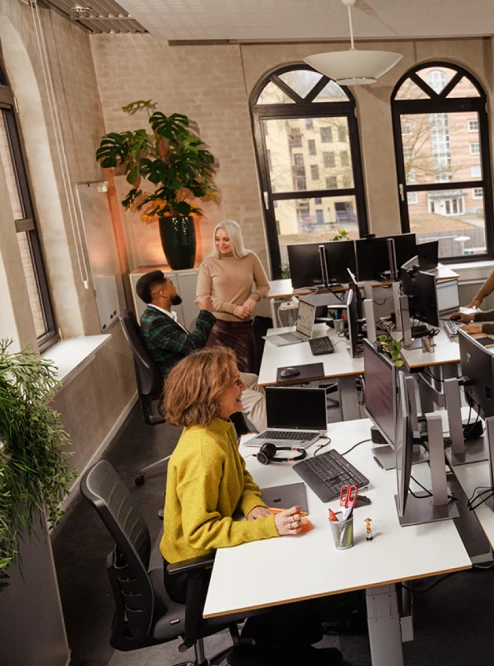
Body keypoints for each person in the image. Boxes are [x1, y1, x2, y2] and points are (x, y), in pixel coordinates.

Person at [159, 348, 341, 665]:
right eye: (233, 383)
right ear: (210, 394)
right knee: (296, 569)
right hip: (196, 571)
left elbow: (242, 476)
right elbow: (199, 534)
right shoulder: (202, 452)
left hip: (212, 549)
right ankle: (265, 654)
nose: (243, 387)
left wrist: (253, 504)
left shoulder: (222, 425)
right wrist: (268, 526)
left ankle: (282, 647)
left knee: (294, 555)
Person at [136, 269, 267, 428]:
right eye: (171, 283)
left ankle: (243, 430)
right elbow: (193, 345)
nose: (174, 286)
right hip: (189, 386)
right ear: (163, 293)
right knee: (257, 400)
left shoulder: (156, 317)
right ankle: (267, 444)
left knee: (252, 380)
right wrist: (205, 311)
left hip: (192, 375)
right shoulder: (156, 323)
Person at [198, 220, 271, 373]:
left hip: (243, 327)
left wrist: (253, 297)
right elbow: (202, 297)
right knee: (219, 379)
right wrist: (233, 309)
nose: (221, 243)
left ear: (236, 239)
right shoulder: (208, 263)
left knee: (249, 376)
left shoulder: (250, 258)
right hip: (217, 327)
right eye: (217, 239)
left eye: (226, 239)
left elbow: (264, 286)